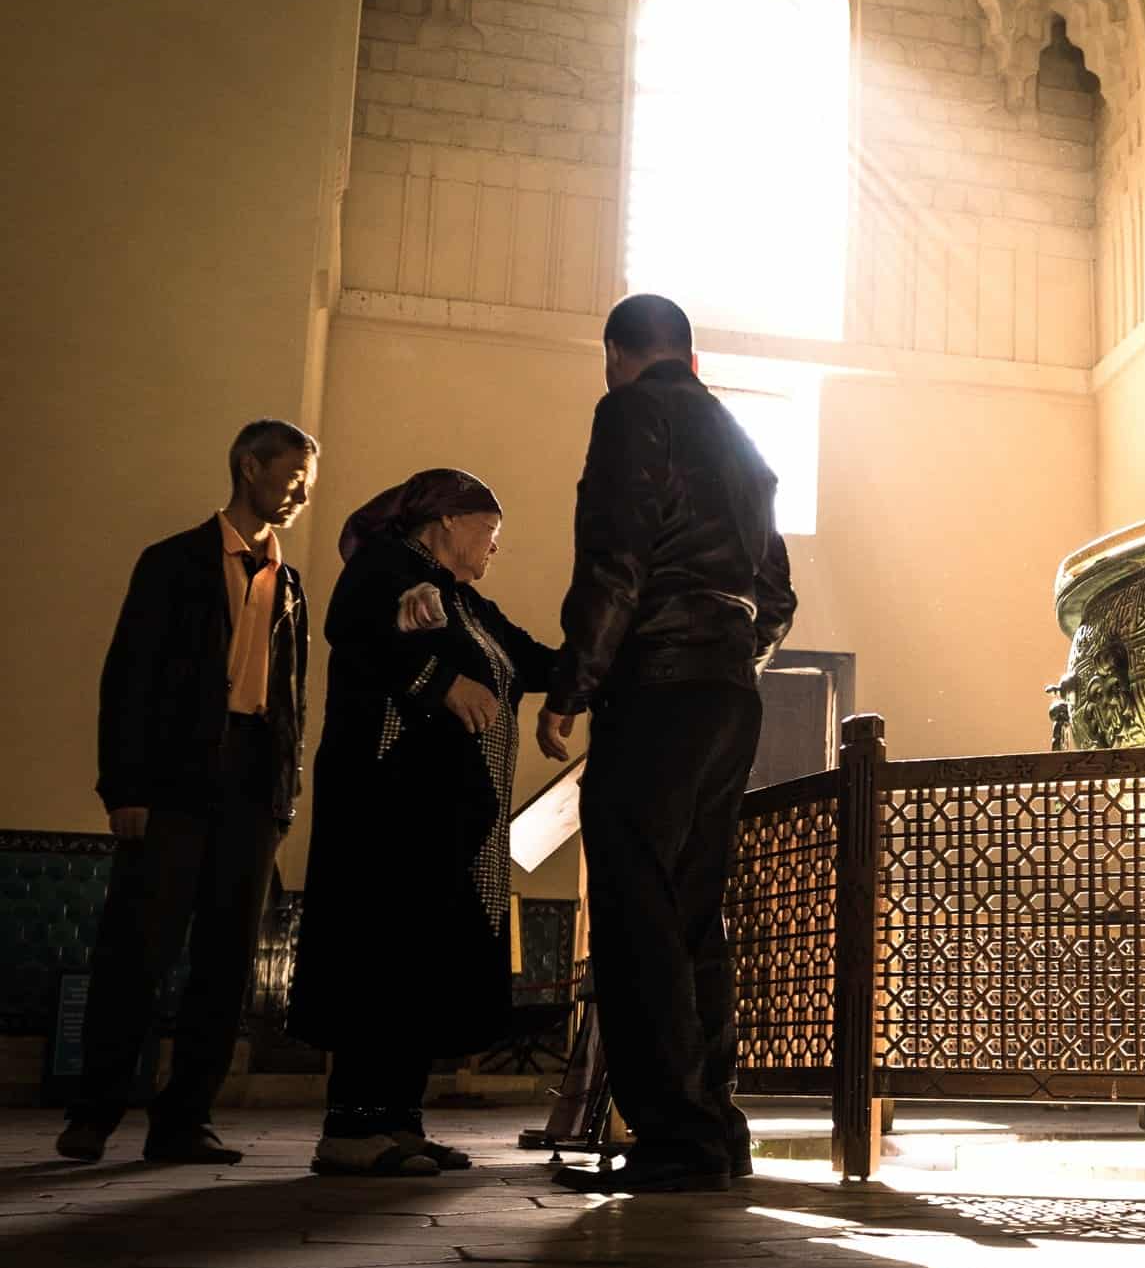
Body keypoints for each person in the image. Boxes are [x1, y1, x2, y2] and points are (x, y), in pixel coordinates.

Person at [538, 293, 797, 1194]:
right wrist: (729, 654)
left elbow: (617, 556)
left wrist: (576, 683)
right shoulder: (737, 434)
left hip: (657, 683)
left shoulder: (631, 410)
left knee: (635, 909)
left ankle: (673, 1139)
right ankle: (716, 1128)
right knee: (691, 914)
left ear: (618, 353)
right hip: (731, 691)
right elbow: (779, 594)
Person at [58, 420, 319, 1164]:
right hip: (172, 781)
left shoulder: (290, 585)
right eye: (293, 473)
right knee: (137, 950)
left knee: (226, 962)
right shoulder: (173, 563)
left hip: (252, 789)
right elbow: (128, 679)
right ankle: (94, 1112)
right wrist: (125, 789)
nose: (301, 490)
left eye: (309, 477)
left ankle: (184, 1122)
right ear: (249, 465)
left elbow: (291, 700)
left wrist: (284, 795)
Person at [287, 470, 556, 1177]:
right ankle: (351, 1128)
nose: (494, 548)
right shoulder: (386, 566)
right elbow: (353, 628)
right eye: (488, 533)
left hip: (442, 819)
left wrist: (608, 662)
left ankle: (398, 1124)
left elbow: (531, 661)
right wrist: (440, 683)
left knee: (419, 963)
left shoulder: (465, 603)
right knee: (381, 953)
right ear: (444, 523)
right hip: (389, 806)